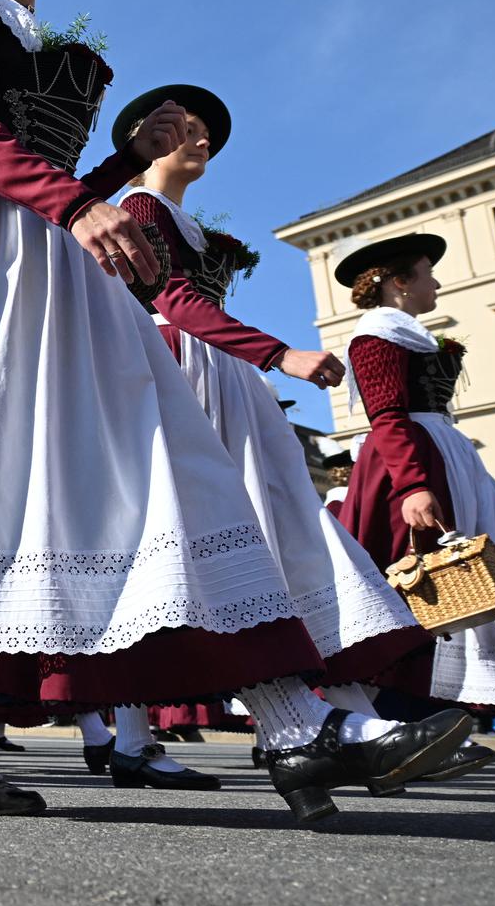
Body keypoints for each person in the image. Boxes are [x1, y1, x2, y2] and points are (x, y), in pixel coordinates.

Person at [0, 0, 470, 821]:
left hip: (53, 258)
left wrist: (117, 164)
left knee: (170, 465)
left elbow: (50, 172)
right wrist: (79, 206)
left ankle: (299, 728)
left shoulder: (40, 35)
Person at [113, 84, 425, 785]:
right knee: (192, 541)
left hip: (220, 374)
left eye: (207, 133)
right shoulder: (138, 208)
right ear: (146, 135)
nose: (200, 139)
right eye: (185, 127)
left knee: (252, 535)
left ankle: (329, 709)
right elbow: (173, 300)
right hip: (174, 372)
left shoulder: (185, 224)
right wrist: (279, 354)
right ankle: (159, 736)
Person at [334, 232, 495, 775]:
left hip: (447, 460)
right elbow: (386, 415)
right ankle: (399, 727)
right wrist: (413, 485)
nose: (435, 281)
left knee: (456, 596)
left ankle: (434, 725)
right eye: (425, 272)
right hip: (408, 469)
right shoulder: (376, 335)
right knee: (418, 594)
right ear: (399, 282)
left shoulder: (409, 332)